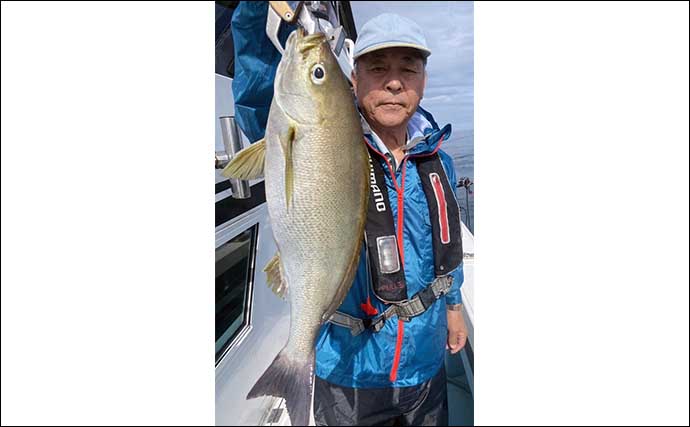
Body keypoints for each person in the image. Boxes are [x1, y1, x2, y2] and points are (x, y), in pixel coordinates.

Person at [314, 13, 468, 427]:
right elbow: (267, 114)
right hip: (351, 370)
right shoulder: (327, 145)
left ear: (423, 80)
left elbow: (447, 246)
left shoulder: (439, 160)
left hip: (426, 362)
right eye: (378, 69)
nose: (395, 82)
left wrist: (454, 308)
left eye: (408, 69)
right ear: (354, 78)